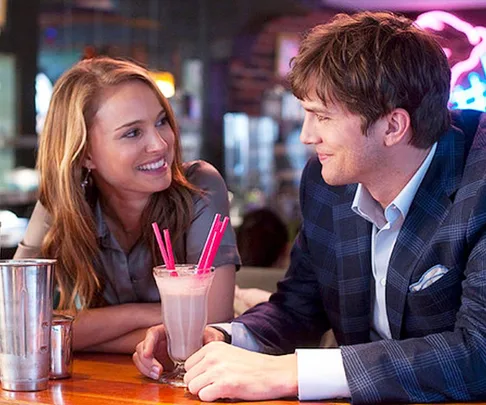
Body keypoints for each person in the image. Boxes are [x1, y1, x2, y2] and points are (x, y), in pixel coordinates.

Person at [133, 11, 486, 403]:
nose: (305, 135)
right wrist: (225, 338)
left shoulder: (479, 181)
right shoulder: (325, 183)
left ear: (393, 126)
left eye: (321, 116)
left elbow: (478, 353)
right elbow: (299, 306)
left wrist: (294, 372)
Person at [14, 57, 240, 353]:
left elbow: (210, 329)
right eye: (133, 133)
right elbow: (18, 322)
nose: (159, 144)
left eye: (161, 121)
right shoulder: (64, 203)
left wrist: (71, 331)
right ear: (85, 155)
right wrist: (157, 314)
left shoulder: (200, 186)